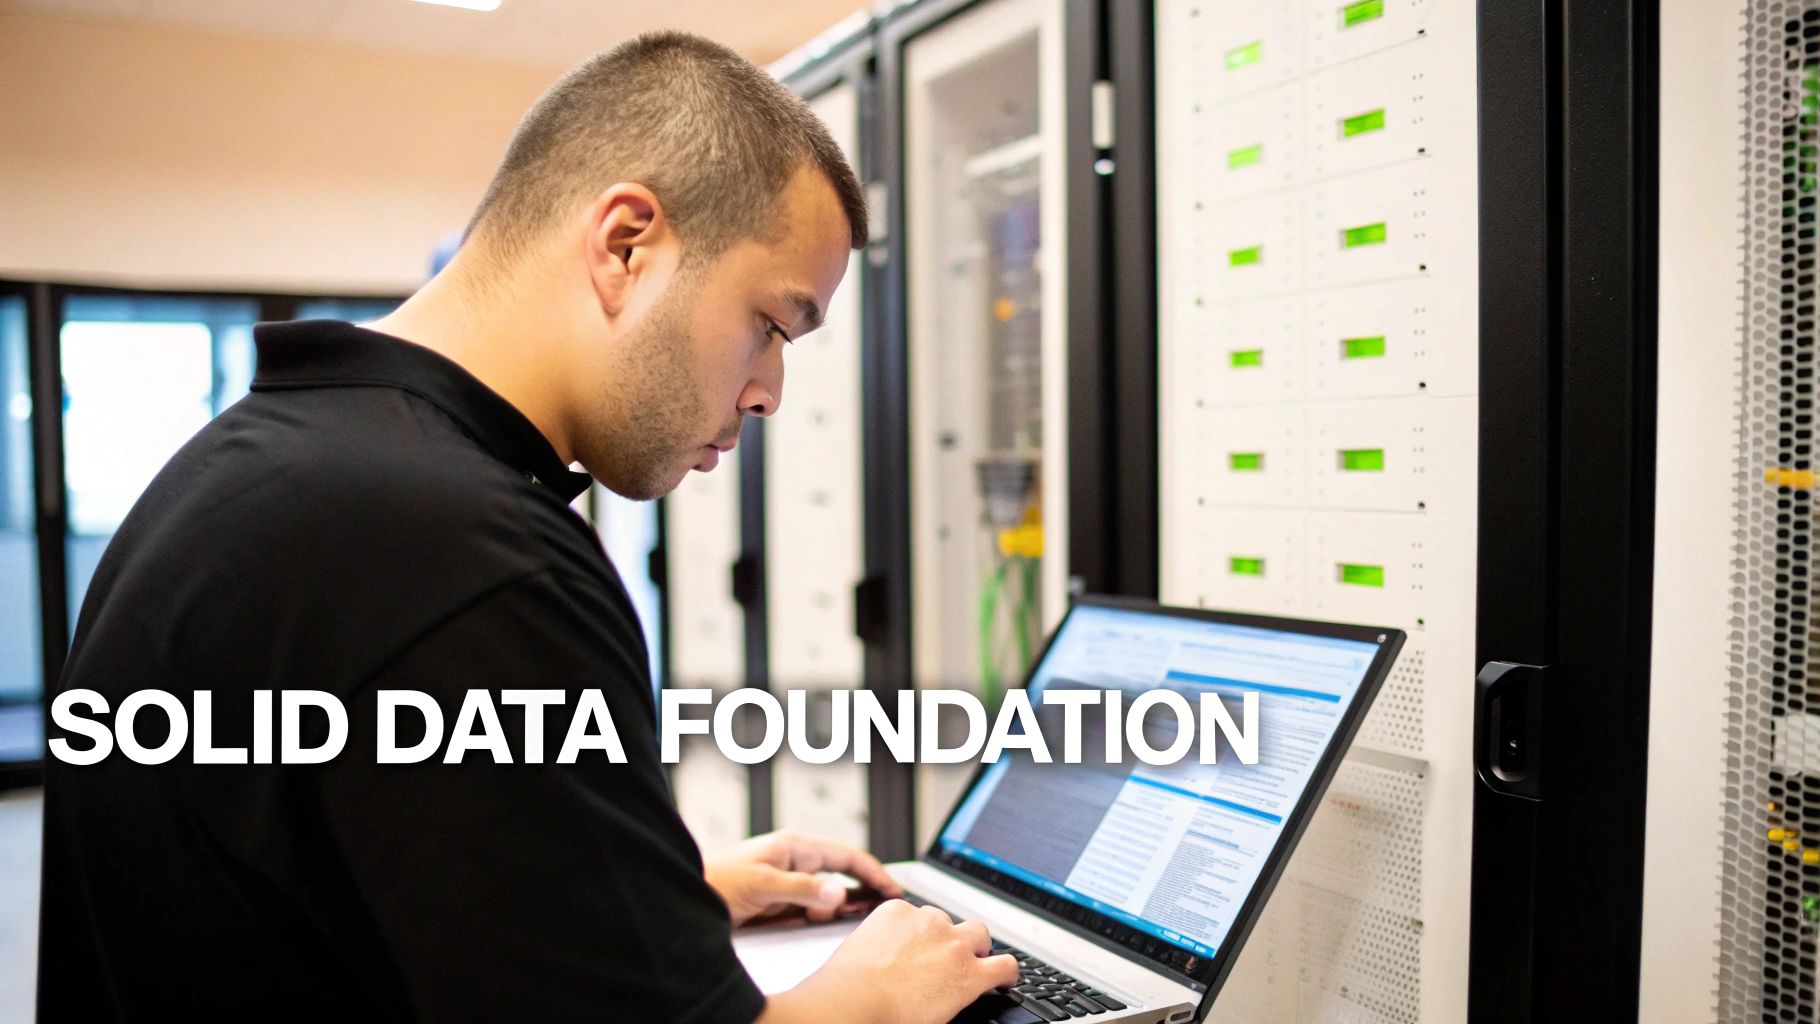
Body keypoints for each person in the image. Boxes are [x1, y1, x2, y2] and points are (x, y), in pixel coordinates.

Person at [37, 30, 1017, 1023]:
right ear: (625, 243)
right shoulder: (467, 558)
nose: (766, 391)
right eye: (770, 322)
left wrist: (639, 903)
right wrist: (881, 996)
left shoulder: (268, 465)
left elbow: (311, 898)